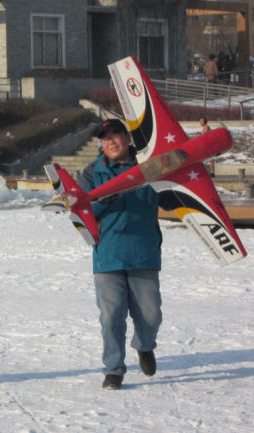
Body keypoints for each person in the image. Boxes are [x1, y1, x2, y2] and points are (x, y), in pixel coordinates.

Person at [78, 119, 172, 390]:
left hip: (144, 252)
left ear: (127, 137)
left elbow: (170, 198)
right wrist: (103, 200)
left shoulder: (149, 166)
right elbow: (80, 216)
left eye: (115, 135)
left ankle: (144, 346)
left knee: (151, 314)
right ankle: (114, 369)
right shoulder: (92, 172)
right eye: (104, 138)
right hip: (108, 254)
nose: (110, 142)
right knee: (111, 317)